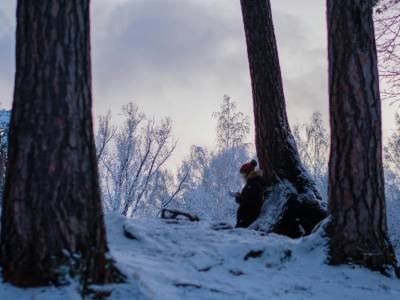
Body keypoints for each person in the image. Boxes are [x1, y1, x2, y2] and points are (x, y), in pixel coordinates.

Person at [235, 159, 266, 228]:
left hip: (247, 219)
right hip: (248, 219)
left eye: (243, 174)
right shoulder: (254, 183)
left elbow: (248, 202)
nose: (242, 177)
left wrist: (238, 197)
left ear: (247, 173)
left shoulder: (252, 184)